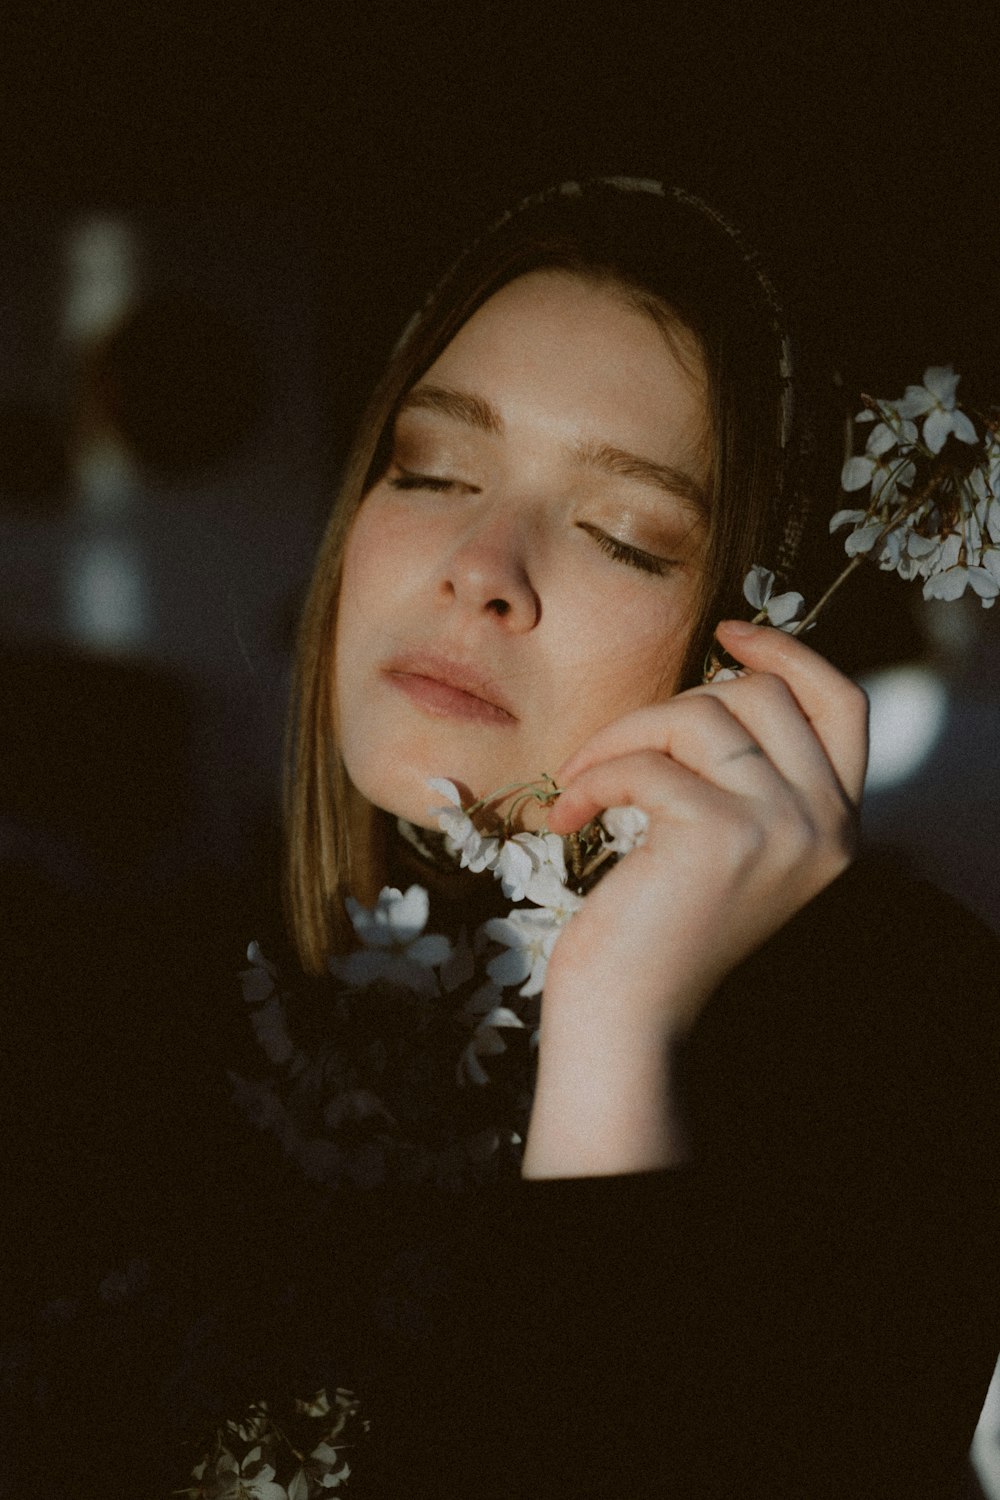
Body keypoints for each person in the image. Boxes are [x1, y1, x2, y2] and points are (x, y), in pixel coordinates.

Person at [275, 178, 1000, 1497]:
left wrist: (618, 1032)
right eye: (431, 467)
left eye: (626, 535)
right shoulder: (144, 1001)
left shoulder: (910, 1053)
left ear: (764, 627)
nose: (481, 563)